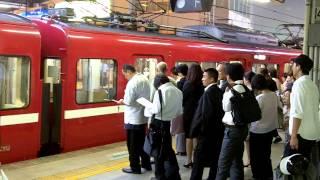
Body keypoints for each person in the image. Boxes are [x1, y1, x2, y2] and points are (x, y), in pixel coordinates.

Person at [114, 64, 151, 174]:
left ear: (128, 72)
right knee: (141, 143)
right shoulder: (144, 79)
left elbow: (129, 101)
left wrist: (121, 101)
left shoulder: (132, 82)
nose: (125, 77)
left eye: (124, 74)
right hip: (142, 116)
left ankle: (135, 167)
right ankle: (146, 164)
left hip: (133, 118)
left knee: (132, 145)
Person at [145, 74, 183, 180]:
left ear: (160, 83)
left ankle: (160, 176)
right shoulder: (178, 91)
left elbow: (156, 110)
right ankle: (174, 175)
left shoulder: (160, 92)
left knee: (157, 152)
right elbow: (179, 111)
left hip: (157, 123)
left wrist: (148, 106)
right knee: (167, 150)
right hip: (167, 124)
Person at [189, 68, 225, 180]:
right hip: (217, 132)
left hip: (206, 134)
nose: (202, 79)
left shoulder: (208, 93)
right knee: (215, 159)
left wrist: (195, 131)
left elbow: (205, 116)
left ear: (212, 79)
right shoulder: (219, 91)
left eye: (204, 76)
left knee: (198, 161)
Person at [285, 54, 320, 164]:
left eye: (293, 65)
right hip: (311, 133)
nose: (292, 67)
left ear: (299, 66)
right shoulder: (312, 85)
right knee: (303, 165)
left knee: (289, 166)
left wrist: (294, 136)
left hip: (301, 135)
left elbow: (298, 112)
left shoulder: (299, 84)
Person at [216, 63, 248, 180]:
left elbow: (226, 108)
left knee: (223, 164)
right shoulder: (245, 88)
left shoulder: (231, 90)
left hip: (232, 130)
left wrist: (225, 93)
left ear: (228, 75)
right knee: (236, 160)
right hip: (242, 128)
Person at [250, 74, 282, 180]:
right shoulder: (274, 95)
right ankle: (268, 175)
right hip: (270, 129)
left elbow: (254, 116)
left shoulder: (260, 98)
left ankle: (258, 176)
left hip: (257, 131)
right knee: (266, 154)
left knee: (255, 157)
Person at [182, 63, 204, 168]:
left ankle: (188, 160)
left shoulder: (188, 84)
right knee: (196, 136)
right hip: (199, 113)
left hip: (189, 113)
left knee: (189, 137)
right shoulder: (202, 84)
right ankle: (197, 159)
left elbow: (183, 99)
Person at [174, 64, 189, 156]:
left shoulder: (180, 82)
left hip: (181, 108)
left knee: (180, 130)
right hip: (188, 108)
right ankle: (185, 149)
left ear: (179, 73)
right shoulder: (190, 80)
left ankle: (180, 149)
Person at [243, 71, 256, 168]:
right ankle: (251, 159)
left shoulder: (246, 91)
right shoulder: (257, 90)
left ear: (246, 80)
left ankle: (249, 159)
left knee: (248, 140)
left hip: (249, 120)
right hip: (257, 120)